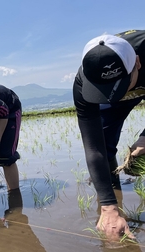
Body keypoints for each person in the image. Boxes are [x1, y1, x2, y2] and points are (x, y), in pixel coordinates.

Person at [72, 30, 145, 241]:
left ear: (137, 63)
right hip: (128, 86)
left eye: (118, 86)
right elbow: (93, 147)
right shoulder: (83, 81)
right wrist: (108, 207)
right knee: (103, 142)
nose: (115, 94)